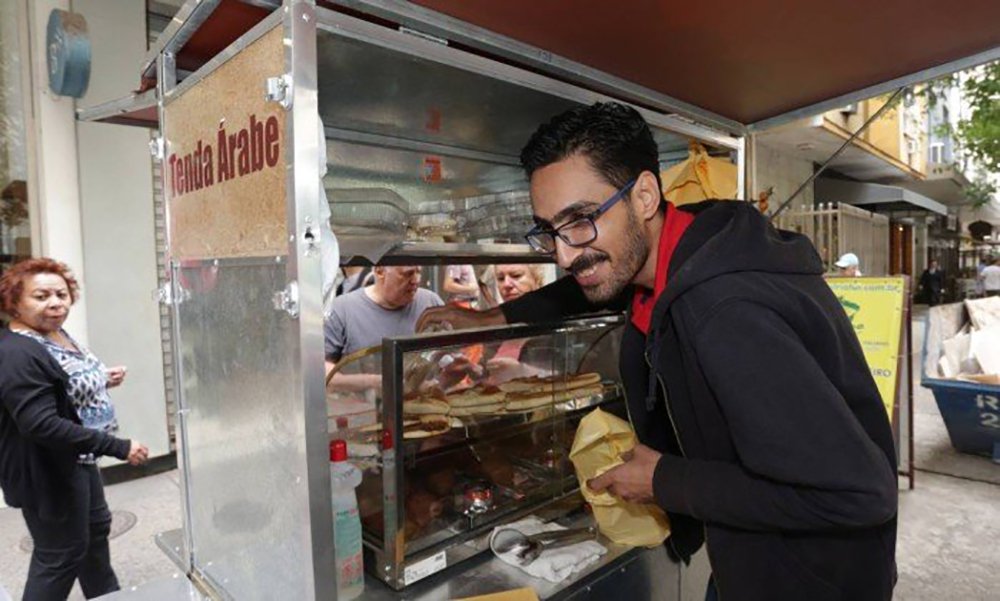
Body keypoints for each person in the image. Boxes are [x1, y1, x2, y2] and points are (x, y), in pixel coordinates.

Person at [418, 102, 897, 600]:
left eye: (581, 219)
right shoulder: (688, 248)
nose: (563, 254)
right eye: (549, 231)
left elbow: (858, 493)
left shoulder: (726, 312)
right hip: (752, 560)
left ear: (645, 195)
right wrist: (494, 317)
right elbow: (587, 279)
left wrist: (665, 481)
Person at [0, 257, 149, 600]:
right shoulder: (18, 353)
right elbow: (41, 424)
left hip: (79, 459)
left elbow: (59, 388)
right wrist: (118, 446)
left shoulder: (54, 333)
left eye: (62, 294)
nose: (55, 303)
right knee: (60, 555)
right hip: (48, 469)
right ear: (14, 302)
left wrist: (100, 379)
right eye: (41, 296)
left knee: (95, 535)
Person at [324, 265, 443, 391]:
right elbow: (322, 369)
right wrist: (374, 383)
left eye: (419, 272)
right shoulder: (342, 309)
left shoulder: (431, 302)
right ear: (380, 271)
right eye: (408, 273)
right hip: (362, 402)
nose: (416, 280)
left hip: (426, 400)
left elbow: (449, 355)